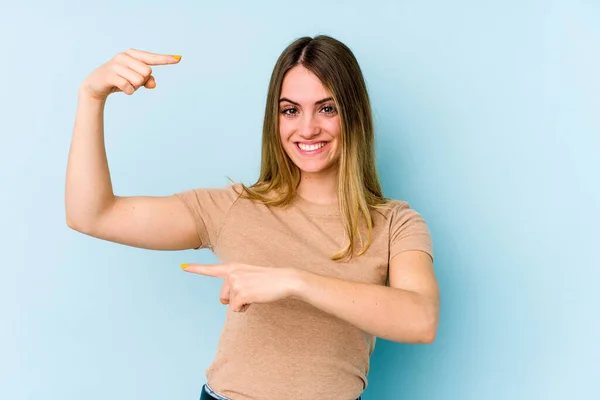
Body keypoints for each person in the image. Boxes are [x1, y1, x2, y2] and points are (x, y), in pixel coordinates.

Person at [65, 35, 440, 400]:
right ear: (274, 119)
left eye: (327, 108)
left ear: (353, 114)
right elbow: (92, 215)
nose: (307, 128)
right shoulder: (233, 207)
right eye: (290, 110)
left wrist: (295, 282)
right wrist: (91, 97)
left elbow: (421, 320)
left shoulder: (395, 223)